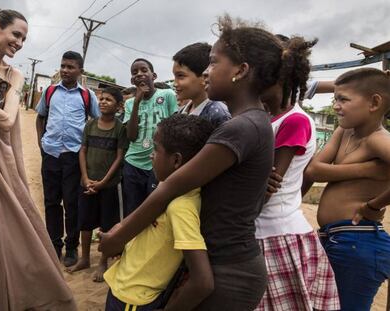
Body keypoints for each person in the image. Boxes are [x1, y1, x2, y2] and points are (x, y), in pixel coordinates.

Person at [99, 15, 294, 309]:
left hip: (229, 273)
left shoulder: (240, 128)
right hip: (225, 263)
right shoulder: (252, 122)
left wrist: (118, 237)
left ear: (241, 71)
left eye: (214, 62)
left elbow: (172, 185)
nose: (206, 71)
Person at [0, 8, 76, 310]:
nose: (19, 43)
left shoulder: (13, 74)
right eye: (15, 34)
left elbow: (6, 121)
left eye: (24, 39)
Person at [255, 36, 340, 310]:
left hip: (275, 235)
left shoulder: (294, 120)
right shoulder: (269, 117)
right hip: (264, 232)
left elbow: (270, 186)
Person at [104, 114, 215, 310]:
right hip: (128, 290)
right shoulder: (172, 193)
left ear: (176, 161)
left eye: (156, 149)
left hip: (134, 299)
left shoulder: (180, 206)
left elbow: (203, 282)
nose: (151, 154)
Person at [303, 68, 390, 311]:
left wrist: (374, 205)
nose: (336, 106)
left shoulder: (378, 139)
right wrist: (368, 170)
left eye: (343, 99)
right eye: (335, 99)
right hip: (339, 239)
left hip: (359, 240)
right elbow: (313, 170)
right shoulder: (345, 131)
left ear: (374, 103)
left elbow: (320, 169)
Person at [35, 50, 100, 267]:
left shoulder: (87, 95)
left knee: (72, 203)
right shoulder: (51, 91)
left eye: (70, 67)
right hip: (51, 154)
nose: (65, 70)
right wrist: (41, 144)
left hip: (74, 156)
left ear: (80, 71)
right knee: (51, 202)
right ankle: (54, 244)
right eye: (63, 66)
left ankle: (71, 246)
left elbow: (97, 123)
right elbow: (40, 118)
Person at [67, 87, 127, 282]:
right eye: (101, 99)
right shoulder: (90, 125)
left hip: (108, 186)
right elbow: (82, 151)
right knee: (85, 222)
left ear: (118, 106)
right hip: (87, 183)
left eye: (108, 100)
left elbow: (119, 157)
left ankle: (102, 262)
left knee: (106, 225)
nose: (102, 102)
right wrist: (85, 178)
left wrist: (103, 182)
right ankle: (85, 258)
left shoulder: (120, 128)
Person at [122, 58, 178, 216]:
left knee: (156, 212)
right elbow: (131, 136)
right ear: (132, 80)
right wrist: (136, 102)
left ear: (153, 75)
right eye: (135, 73)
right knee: (133, 210)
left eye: (143, 70)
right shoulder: (130, 103)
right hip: (134, 163)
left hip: (159, 164)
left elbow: (174, 127)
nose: (139, 74)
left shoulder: (167, 95)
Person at [173, 42, 231, 128]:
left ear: (204, 77)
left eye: (180, 76)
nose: (175, 84)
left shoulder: (219, 115)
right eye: (175, 76)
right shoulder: (182, 113)